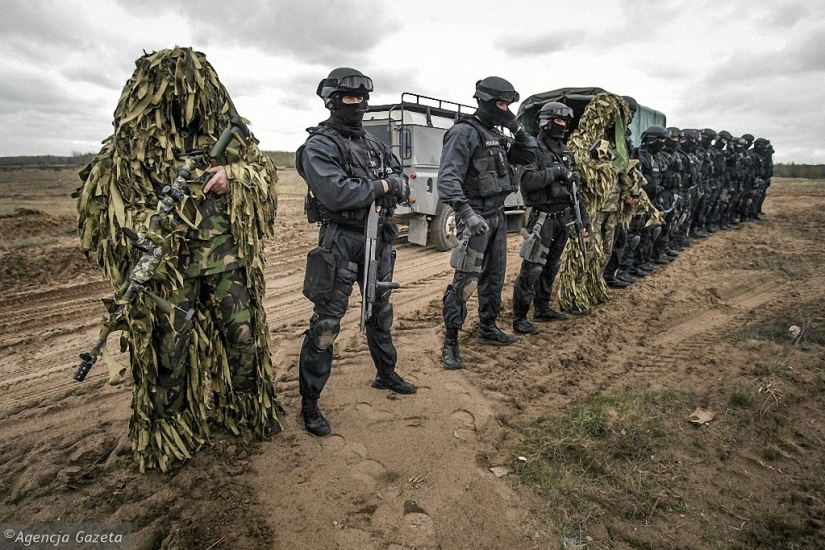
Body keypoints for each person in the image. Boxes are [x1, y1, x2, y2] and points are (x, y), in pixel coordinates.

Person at [76, 47, 281, 472]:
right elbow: (102, 201)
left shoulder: (226, 136)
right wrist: (144, 228)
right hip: (170, 271)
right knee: (168, 354)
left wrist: (233, 176)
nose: (181, 99)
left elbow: (265, 175)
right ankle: (170, 434)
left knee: (243, 340)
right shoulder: (134, 144)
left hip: (227, 262)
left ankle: (247, 410)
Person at [296, 67, 416, 436]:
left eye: (363, 98)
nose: (358, 104)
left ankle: (386, 373)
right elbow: (337, 193)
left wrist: (387, 185)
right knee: (326, 324)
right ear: (333, 102)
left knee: (381, 312)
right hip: (341, 240)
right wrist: (383, 185)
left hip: (379, 236)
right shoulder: (319, 146)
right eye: (350, 98)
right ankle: (310, 403)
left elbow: (402, 181)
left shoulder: (375, 145)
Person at [438, 76, 537, 369]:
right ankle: (450, 341)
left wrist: (516, 126)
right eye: (500, 104)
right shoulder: (464, 132)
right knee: (466, 281)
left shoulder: (496, 134)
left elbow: (529, 153)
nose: (504, 109)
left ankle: (488, 327)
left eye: (508, 105)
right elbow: (448, 179)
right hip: (475, 216)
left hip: (496, 215)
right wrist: (466, 214)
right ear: (484, 101)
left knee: (494, 278)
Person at [512, 101, 589, 335]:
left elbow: (575, 190)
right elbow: (527, 182)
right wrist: (556, 172)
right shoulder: (532, 148)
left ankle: (542, 308)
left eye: (565, 121)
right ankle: (519, 318)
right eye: (558, 120)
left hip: (563, 217)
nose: (563, 125)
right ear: (545, 122)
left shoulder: (565, 151)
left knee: (552, 266)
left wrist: (584, 219)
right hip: (541, 218)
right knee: (532, 268)